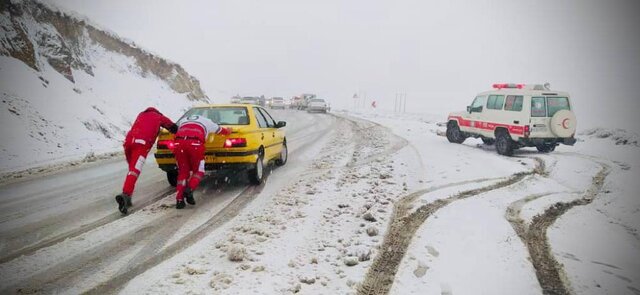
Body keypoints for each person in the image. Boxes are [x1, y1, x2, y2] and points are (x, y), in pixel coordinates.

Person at [116, 107, 177, 214]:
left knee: (132, 169)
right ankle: (125, 195)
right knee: (134, 171)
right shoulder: (159, 117)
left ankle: (128, 195)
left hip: (129, 143)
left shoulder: (141, 115)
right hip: (141, 144)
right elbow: (173, 127)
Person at [173, 114, 231, 209]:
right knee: (199, 170)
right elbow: (221, 131)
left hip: (179, 143)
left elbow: (175, 129)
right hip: (195, 143)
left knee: (183, 172)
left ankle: (179, 200)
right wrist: (228, 131)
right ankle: (189, 189)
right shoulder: (208, 121)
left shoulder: (184, 120)